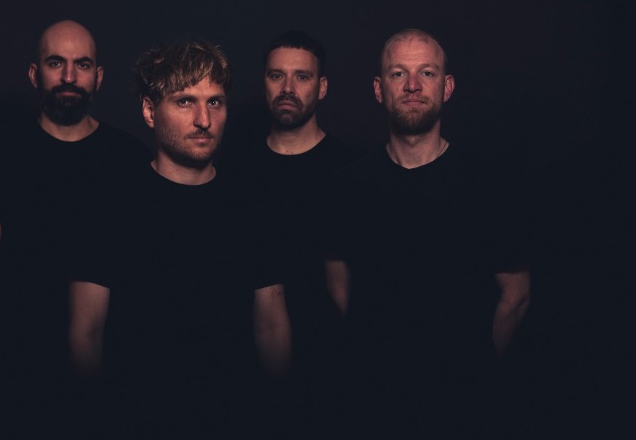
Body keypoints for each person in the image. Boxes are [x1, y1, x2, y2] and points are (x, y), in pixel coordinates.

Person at [69, 38, 291, 438]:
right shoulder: (111, 207)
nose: (204, 119)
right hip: (135, 421)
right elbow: (86, 332)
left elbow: (272, 325)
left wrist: (277, 417)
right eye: (185, 102)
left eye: (215, 102)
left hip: (236, 420)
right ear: (149, 111)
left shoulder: (252, 205)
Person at [324, 28, 531, 438]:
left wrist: (474, 366)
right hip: (372, 400)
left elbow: (517, 293)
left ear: (447, 87)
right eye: (398, 73)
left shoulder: (488, 186)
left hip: (464, 402)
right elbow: (338, 282)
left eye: (427, 73)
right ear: (379, 89)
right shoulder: (348, 186)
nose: (413, 85)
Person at [0, 19, 150, 434]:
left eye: (82, 64)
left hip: (110, 376)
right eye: (55, 63)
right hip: (19, 371)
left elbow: (149, 275)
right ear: (35, 74)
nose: (68, 76)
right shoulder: (1, 155)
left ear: (98, 77)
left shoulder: (129, 159)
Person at [221, 29, 356, 435]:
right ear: (263, 82)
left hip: (332, 369)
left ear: (322, 87)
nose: (288, 88)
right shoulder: (233, 171)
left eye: (302, 76)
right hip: (244, 369)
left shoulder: (351, 172)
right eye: (276, 75)